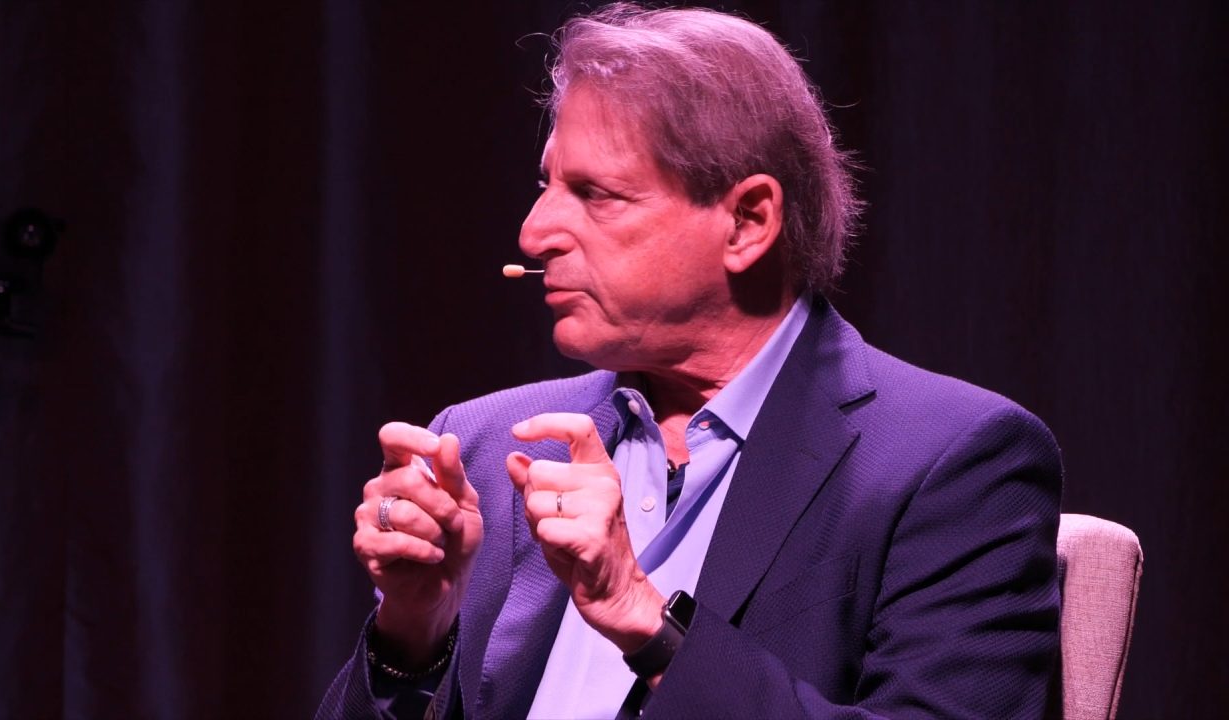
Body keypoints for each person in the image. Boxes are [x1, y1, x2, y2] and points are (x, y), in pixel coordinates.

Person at [317, 4, 1062, 719]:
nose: (535, 232)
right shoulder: (485, 447)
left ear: (747, 222)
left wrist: (644, 617)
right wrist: (412, 632)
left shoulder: (950, 463)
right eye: (548, 185)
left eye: (597, 194)